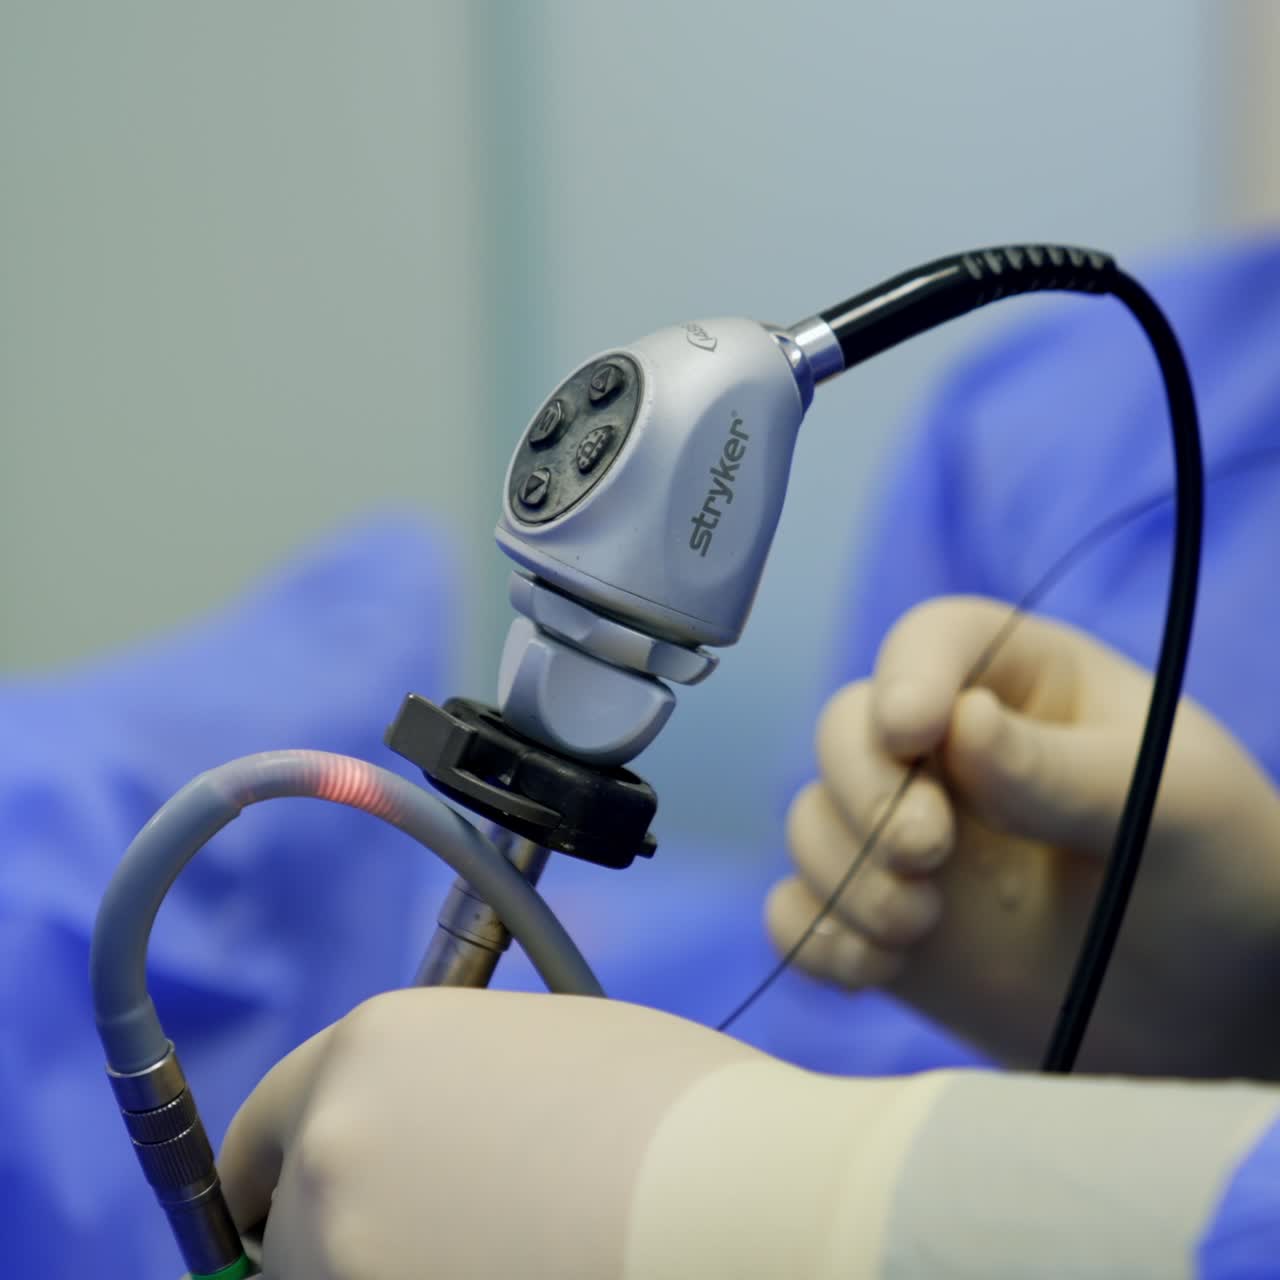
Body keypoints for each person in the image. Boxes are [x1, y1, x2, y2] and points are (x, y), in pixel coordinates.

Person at [215, 233, 1280, 1277]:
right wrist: (1234, 1012)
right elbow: (823, 1006)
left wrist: (807, 1199)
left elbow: (754, 1146)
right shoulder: (1042, 417)